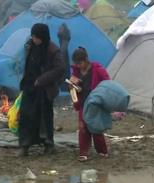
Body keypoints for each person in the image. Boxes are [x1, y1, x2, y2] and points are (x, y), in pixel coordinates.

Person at [18, 23, 65, 157]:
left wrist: (42, 79)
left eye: (37, 37)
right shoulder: (30, 46)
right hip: (30, 86)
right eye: (33, 37)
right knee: (26, 116)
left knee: (45, 118)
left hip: (44, 89)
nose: (34, 39)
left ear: (43, 37)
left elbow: (60, 68)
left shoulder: (52, 50)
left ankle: (48, 144)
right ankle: (24, 145)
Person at [70, 47, 110, 162]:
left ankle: (102, 151)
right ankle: (83, 152)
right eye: (76, 63)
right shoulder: (76, 73)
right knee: (83, 127)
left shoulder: (97, 69)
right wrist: (73, 87)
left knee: (95, 127)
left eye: (80, 63)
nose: (78, 66)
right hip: (83, 102)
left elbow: (107, 83)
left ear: (86, 59)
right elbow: (71, 89)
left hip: (95, 103)